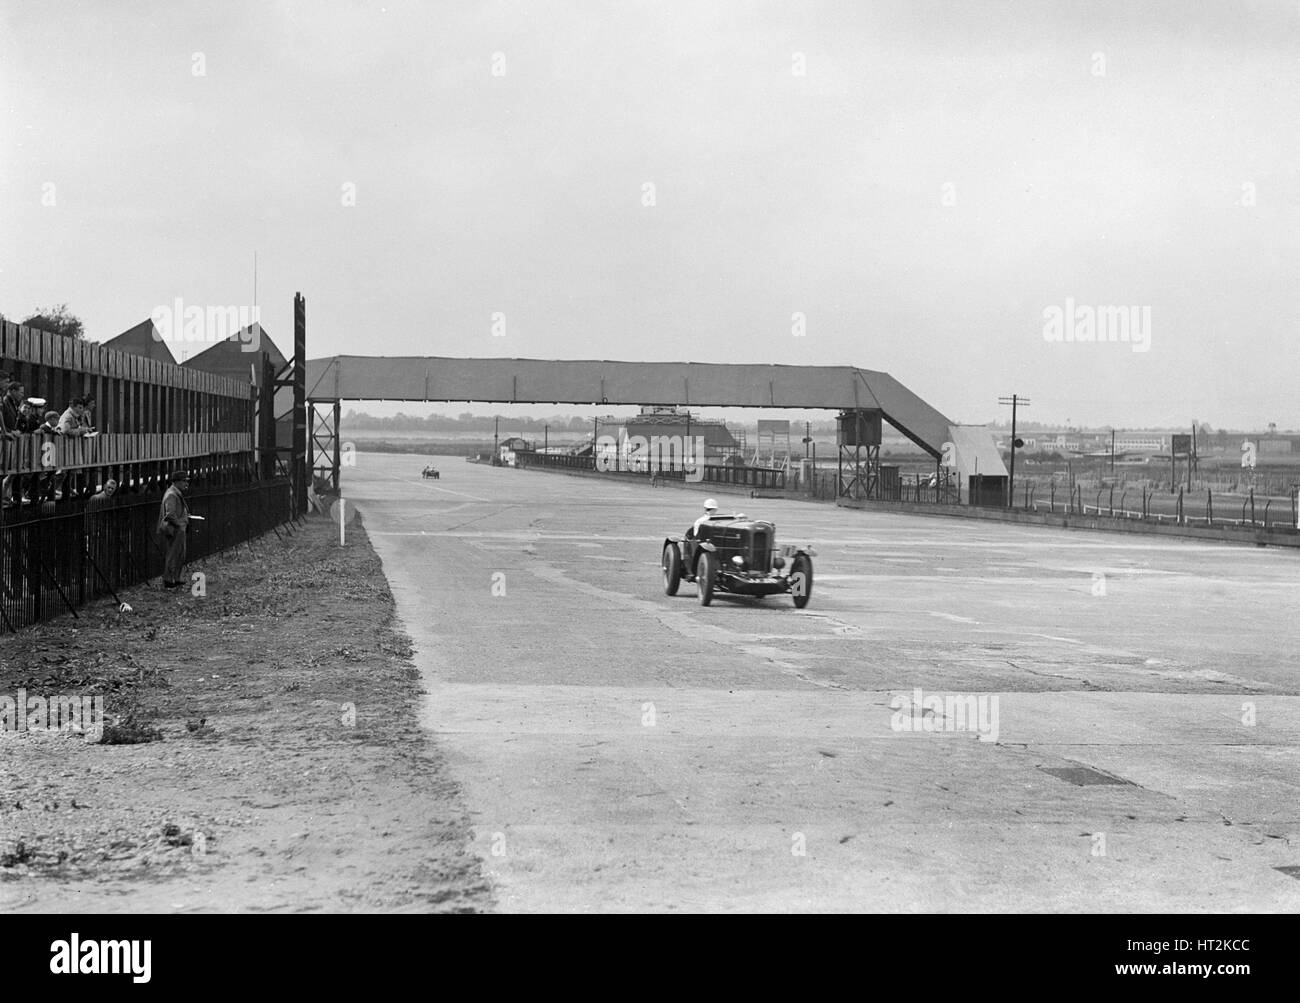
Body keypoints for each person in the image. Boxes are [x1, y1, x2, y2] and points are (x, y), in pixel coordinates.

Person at [157, 470, 191, 589]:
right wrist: (180, 524)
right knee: (173, 554)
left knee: (180, 554)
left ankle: (175, 578)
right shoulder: (172, 494)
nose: (186, 484)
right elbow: (170, 514)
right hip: (175, 529)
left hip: (178, 528)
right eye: (184, 481)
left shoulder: (176, 492)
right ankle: (169, 580)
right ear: (177, 482)